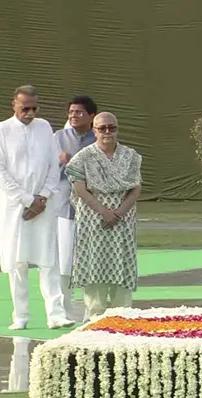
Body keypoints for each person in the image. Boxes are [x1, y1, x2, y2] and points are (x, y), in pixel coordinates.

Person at [0, 85, 74, 329]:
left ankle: (56, 314)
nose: (30, 113)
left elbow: (54, 165)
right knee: (17, 262)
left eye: (34, 108)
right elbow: (2, 172)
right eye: (25, 108)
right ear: (14, 105)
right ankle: (20, 317)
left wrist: (42, 197)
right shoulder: (3, 130)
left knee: (48, 260)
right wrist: (27, 199)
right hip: (15, 207)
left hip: (45, 205)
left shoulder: (44, 127)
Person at [65, 112, 142, 320]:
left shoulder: (131, 156)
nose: (107, 132)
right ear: (94, 130)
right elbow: (80, 189)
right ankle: (94, 317)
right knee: (94, 265)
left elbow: (135, 189)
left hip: (123, 219)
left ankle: (123, 315)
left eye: (111, 127)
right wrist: (104, 212)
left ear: (117, 129)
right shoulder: (82, 157)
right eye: (102, 128)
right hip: (93, 219)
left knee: (122, 263)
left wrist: (118, 212)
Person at [53, 96, 97, 315]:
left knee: (91, 258)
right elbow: (44, 171)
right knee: (64, 260)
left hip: (91, 209)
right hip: (63, 207)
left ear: (91, 116)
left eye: (79, 112)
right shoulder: (58, 137)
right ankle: (63, 309)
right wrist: (57, 161)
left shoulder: (99, 138)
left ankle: (92, 309)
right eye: (71, 112)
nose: (73, 116)